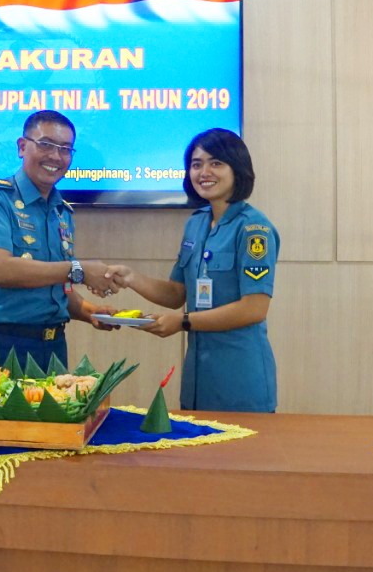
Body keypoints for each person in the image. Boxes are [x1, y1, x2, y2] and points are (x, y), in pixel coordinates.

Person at [105, 128, 279, 412]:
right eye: (196, 164)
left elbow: (254, 308)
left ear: (237, 168)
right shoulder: (196, 223)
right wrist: (131, 278)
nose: (204, 172)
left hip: (240, 380)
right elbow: (177, 293)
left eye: (216, 163)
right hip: (198, 379)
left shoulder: (253, 229)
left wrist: (183, 322)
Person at [0, 110, 116, 369]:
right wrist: (79, 270)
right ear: (22, 147)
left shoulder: (61, 212)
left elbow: (57, 288)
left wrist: (90, 311)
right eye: (46, 144)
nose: (55, 156)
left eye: (65, 149)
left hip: (53, 347)